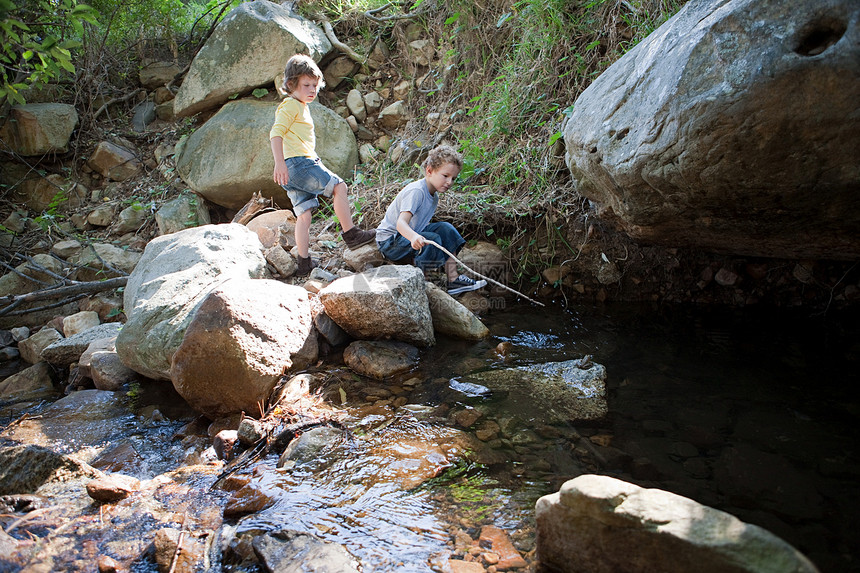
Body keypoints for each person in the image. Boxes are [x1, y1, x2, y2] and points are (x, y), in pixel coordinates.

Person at [270, 54, 376, 276]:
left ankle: (304, 262)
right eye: (306, 85)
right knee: (339, 187)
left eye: (315, 85)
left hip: (294, 167)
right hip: (298, 163)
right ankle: (352, 235)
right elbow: (276, 133)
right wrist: (279, 163)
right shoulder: (291, 105)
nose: (312, 90)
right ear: (291, 84)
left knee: (304, 214)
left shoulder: (299, 106)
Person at [376, 145, 487, 295]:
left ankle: (453, 279)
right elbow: (401, 224)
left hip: (407, 236)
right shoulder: (416, 191)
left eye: (453, 178)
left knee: (446, 229)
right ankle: (422, 279)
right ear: (429, 171)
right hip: (390, 241)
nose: (449, 182)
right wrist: (414, 236)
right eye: (445, 176)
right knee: (431, 239)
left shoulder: (433, 196)